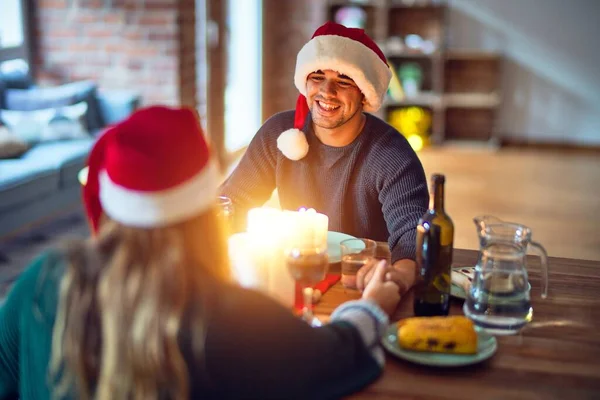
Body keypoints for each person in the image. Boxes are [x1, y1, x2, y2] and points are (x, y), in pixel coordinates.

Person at [0, 106, 401, 400]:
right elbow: (335, 356)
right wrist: (370, 307)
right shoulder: (229, 315)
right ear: (206, 213)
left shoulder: (45, 279)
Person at [220, 22, 429, 294]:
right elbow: (232, 203)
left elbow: (413, 233)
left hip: (361, 283)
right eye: (317, 77)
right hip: (291, 275)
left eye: (343, 81)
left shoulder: (392, 154)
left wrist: (397, 277)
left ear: (365, 94)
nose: (327, 92)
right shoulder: (279, 134)